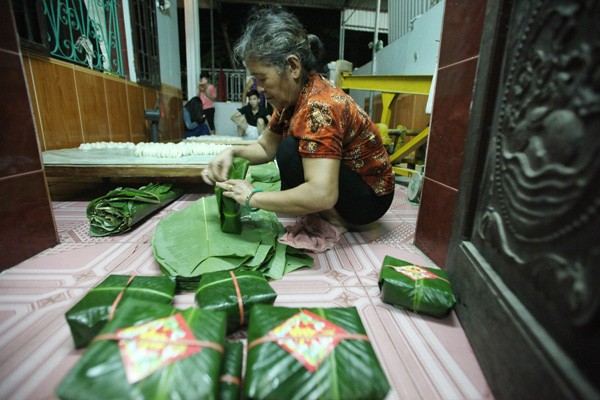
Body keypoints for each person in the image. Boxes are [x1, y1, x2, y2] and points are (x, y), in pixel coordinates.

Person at [201, 6, 394, 231]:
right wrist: (231, 152)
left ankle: (337, 220)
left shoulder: (319, 106)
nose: (259, 88)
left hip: (369, 198)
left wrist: (252, 197)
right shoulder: (291, 98)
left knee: (290, 149)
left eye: (262, 78)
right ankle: (323, 212)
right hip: (349, 186)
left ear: (292, 66)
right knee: (287, 149)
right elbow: (265, 148)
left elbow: (323, 193)